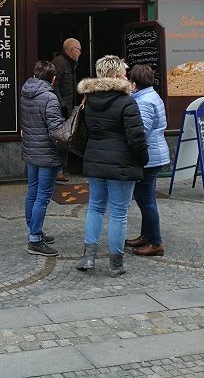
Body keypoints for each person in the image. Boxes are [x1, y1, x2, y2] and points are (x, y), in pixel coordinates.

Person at [75, 55, 148, 276]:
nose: (127, 75)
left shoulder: (89, 100)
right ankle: (115, 263)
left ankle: (88, 257)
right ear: (117, 75)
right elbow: (136, 138)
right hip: (122, 164)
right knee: (118, 213)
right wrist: (143, 159)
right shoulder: (127, 102)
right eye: (124, 72)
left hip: (96, 161)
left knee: (95, 207)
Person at [20, 60, 66, 257]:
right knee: (43, 196)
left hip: (31, 150)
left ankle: (33, 230)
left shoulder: (25, 92)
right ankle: (35, 238)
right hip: (47, 153)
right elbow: (55, 130)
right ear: (53, 79)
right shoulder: (49, 98)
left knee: (32, 191)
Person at [126, 65, 169, 257]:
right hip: (155, 153)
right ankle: (146, 236)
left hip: (150, 156)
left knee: (146, 200)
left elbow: (141, 132)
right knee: (145, 199)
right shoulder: (151, 96)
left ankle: (155, 242)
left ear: (135, 83)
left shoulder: (143, 102)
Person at [52, 38, 81, 182]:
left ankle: (61, 169)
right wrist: (62, 105)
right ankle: (58, 170)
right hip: (61, 109)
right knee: (61, 139)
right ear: (71, 50)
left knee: (66, 139)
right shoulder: (60, 62)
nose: (80, 53)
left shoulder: (70, 64)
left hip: (68, 107)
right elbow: (54, 85)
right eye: (79, 49)